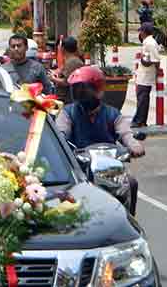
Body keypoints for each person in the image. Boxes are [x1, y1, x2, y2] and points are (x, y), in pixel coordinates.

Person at [55, 66, 143, 214]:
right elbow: (61, 132)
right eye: (77, 90)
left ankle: (130, 220)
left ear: (98, 90)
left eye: (84, 89)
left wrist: (134, 145)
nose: (81, 94)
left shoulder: (112, 114)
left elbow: (125, 133)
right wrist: (60, 143)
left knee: (131, 183)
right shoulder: (67, 113)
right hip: (79, 170)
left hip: (110, 170)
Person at [133, 22, 160, 128]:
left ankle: (139, 121)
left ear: (144, 32)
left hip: (146, 76)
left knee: (142, 98)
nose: (139, 33)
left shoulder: (150, 43)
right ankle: (140, 120)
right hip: (143, 74)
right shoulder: (147, 42)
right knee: (142, 97)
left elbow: (156, 60)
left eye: (140, 31)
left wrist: (157, 73)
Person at [51, 36, 85, 103]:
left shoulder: (73, 62)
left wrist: (52, 78)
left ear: (63, 49)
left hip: (67, 100)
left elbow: (66, 82)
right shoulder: (71, 60)